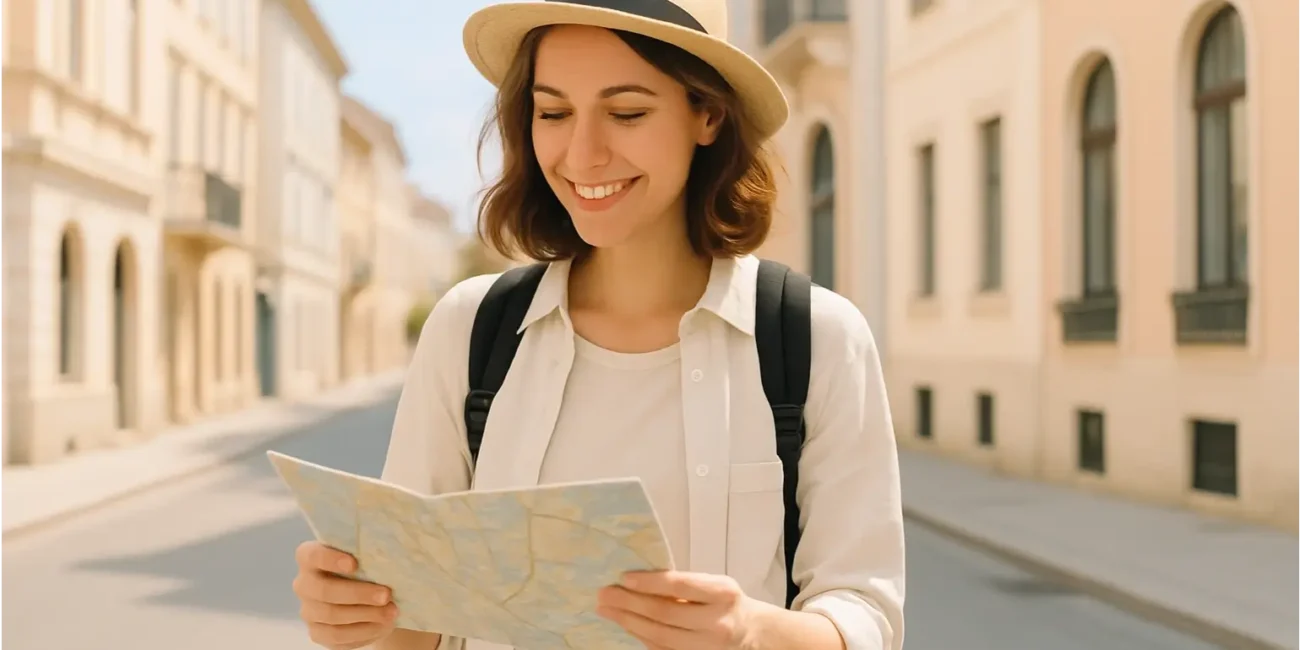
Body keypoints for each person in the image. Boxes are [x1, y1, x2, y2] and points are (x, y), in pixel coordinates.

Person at [290, 1, 905, 649]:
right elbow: (418, 629)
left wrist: (751, 631)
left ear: (708, 114)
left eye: (627, 112)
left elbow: (867, 617)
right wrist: (361, 614)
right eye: (553, 113)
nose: (583, 154)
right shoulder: (469, 329)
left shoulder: (818, 338)